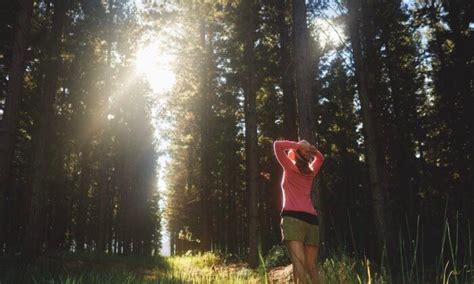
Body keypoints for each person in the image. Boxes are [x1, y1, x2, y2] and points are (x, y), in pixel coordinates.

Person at [273, 139, 325, 284]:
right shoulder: (311, 173)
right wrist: (312, 150)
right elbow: (321, 158)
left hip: (293, 218)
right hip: (312, 220)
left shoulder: (289, 168)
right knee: (311, 266)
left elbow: (277, 145)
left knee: (299, 263)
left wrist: (299, 146)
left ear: (295, 154)